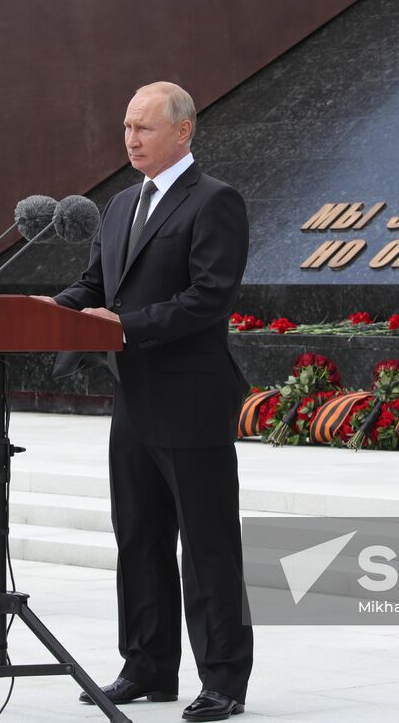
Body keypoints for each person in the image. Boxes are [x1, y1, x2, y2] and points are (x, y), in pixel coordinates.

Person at [49, 82, 253, 722]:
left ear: (184, 130)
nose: (131, 138)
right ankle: (147, 666)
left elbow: (210, 296)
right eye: (127, 127)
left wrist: (125, 326)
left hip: (191, 397)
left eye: (144, 127)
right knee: (138, 537)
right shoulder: (118, 207)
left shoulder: (215, 202)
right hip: (132, 399)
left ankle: (223, 679)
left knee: (207, 542)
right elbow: (92, 284)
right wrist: (37, 316)